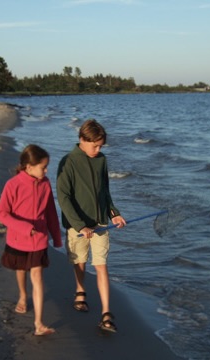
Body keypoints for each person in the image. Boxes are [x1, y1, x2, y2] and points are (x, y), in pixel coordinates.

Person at [56, 119, 126, 333]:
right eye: (95, 145)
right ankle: (80, 290)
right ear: (82, 140)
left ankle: (106, 313)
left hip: (100, 224)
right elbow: (63, 197)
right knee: (79, 260)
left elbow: (105, 191)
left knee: (101, 264)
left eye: (101, 146)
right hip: (77, 226)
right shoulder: (68, 162)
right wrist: (79, 226)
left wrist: (114, 213)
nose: (98, 149)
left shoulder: (102, 160)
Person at [0, 144, 62, 336]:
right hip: (18, 238)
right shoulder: (13, 184)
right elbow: (1, 213)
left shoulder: (46, 184)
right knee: (20, 269)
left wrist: (56, 238)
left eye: (47, 166)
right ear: (29, 167)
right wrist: (24, 228)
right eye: (43, 166)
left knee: (37, 276)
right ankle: (23, 296)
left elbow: (50, 213)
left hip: (39, 239)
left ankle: (39, 323)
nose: (46, 170)